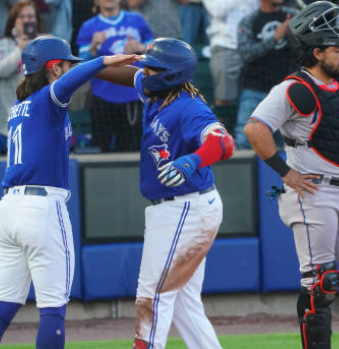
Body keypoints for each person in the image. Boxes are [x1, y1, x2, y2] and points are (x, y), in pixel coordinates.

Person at [0, 36, 139, 349]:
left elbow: (67, 79)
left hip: (8, 209)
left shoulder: (20, 106)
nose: (69, 67)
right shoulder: (47, 99)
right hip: (41, 209)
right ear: (54, 68)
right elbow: (69, 81)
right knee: (52, 310)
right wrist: (102, 61)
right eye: (65, 63)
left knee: (3, 307)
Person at [244, 2, 339, 349]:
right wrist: (286, 172)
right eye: (337, 48)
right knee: (321, 285)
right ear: (316, 51)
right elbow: (255, 129)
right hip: (312, 193)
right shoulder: (294, 89)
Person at [95, 38, 235, 349]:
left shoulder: (189, 106)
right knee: (183, 302)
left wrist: (192, 160)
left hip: (186, 207)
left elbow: (224, 143)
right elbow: (127, 75)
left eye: (152, 67)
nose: (144, 70)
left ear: (170, 74)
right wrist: (86, 66)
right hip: (183, 207)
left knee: (154, 295)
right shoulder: (158, 91)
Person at [76, 0, 153, 152]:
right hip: (102, 95)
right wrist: (92, 47)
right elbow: (81, 64)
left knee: (133, 149)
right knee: (102, 148)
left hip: (133, 94)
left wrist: (141, 47)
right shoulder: (88, 26)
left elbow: (155, 51)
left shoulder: (136, 19)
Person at [233, 0, 296, 150]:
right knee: (244, 142)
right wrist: (275, 38)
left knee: (289, 145)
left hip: (287, 93)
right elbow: (245, 54)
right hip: (255, 90)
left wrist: (292, 36)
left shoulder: (293, 17)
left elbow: (307, 52)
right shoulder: (249, 20)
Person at [0, 0, 43, 137]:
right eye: (21, 16)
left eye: (30, 17)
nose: (26, 20)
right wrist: (21, 48)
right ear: (13, 21)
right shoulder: (1, 44)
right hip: (10, 119)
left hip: (39, 119)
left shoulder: (45, 42)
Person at [202, 0, 258, 107]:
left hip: (251, 45)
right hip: (225, 45)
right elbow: (218, 11)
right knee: (224, 100)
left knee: (255, 96)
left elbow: (258, 11)